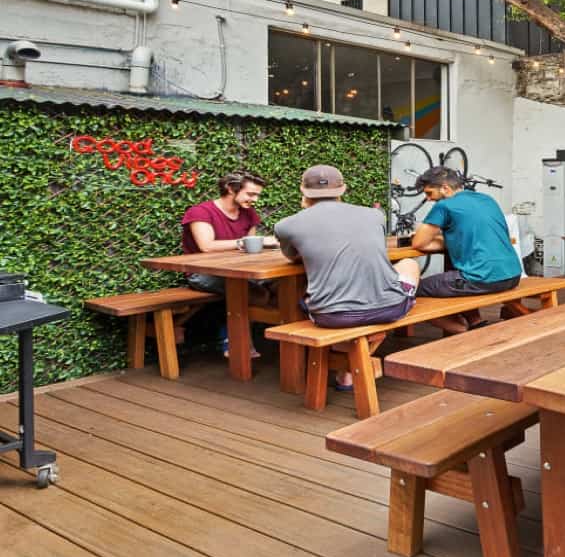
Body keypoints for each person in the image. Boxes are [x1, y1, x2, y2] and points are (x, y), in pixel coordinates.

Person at [274, 165, 422, 390]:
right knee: (409, 264)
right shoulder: (374, 215)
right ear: (342, 189)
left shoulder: (287, 225)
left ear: (302, 191)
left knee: (308, 293)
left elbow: (293, 257)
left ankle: (346, 366)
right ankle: (350, 366)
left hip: (331, 315)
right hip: (389, 308)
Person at [411, 166, 521, 333]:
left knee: (411, 288)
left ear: (445, 189)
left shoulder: (445, 206)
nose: (429, 199)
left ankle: (457, 328)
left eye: (429, 193)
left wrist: (437, 238)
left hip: (483, 279)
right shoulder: (486, 199)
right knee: (457, 272)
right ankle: (476, 322)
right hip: (512, 275)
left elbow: (418, 243)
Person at [181, 170, 275, 357]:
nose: (255, 199)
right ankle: (235, 342)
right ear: (231, 189)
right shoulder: (200, 212)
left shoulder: (248, 214)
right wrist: (247, 242)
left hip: (240, 271)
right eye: (251, 194)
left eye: (257, 194)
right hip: (203, 274)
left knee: (278, 286)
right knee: (251, 292)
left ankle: (235, 340)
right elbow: (206, 246)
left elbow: (251, 250)